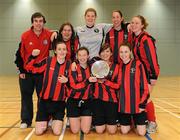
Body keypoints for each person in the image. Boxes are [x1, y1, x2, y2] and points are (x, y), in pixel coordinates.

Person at [14, 12, 52, 129]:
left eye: (40, 21)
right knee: (26, 97)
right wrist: (21, 71)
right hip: (27, 73)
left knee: (43, 97)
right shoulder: (25, 36)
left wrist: (55, 33)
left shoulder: (48, 34)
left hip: (42, 73)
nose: (38, 23)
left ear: (43, 22)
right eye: (36, 21)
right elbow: (19, 55)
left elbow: (57, 36)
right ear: (32, 22)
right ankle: (26, 120)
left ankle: (45, 118)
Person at [25, 41, 70, 135]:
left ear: (67, 51)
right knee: (38, 132)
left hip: (59, 103)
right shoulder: (48, 61)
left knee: (57, 132)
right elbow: (30, 68)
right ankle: (47, 120)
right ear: (55, 51)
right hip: (45, 102)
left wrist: (67, 80)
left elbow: (74, 83)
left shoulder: (70, 65)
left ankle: (53, 121)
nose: (62, 51)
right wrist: (33, 56)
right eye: (59, 49)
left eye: (64, 49)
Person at [130, 15, 160, 133]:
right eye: (132, 23)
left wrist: (153, 76)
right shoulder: (135, 37)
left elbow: (153, 59)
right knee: (141, 97)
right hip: (140, 73)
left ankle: (152, 122)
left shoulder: (146, 39)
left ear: (142, 25)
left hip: (149, 74)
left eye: (137, 23)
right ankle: (146, 121)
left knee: (146, 98)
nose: (134, 25)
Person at [118, 42, 149, 136]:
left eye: (126, 52)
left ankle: (137, 121)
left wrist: (142, 105)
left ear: (130, 52)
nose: (123, 54)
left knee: (141, 133)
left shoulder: (138, 64)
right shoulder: (119, 66)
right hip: (124, 106)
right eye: (121, 52)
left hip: (137, 105)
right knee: (124, 131)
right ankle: (131, 122)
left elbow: (144, 87)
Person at [91, 44, 121, 134]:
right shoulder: (94, 65)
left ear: (111, 53)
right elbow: (81, 60)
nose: (105, 54)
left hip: (111, 100)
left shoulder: (116, 67)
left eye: (107, 51)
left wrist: (105, 81)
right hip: (97, 100)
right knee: (99, 131)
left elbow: (118, 85)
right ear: (99, 54)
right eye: (103, 51)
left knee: (112, 131)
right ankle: (96, 121)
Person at [67, 47, 94, 134]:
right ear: (77, 57)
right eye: (80, 55)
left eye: (84, 55)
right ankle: (75, 118)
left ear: (88, 56)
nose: (82, 57)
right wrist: (87, 81)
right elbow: (74, 86)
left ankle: (83, 118)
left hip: (87, 101)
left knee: (85, 131)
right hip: (73, 101)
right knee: (75, 131)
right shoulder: (73, 68)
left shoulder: (92, 67)